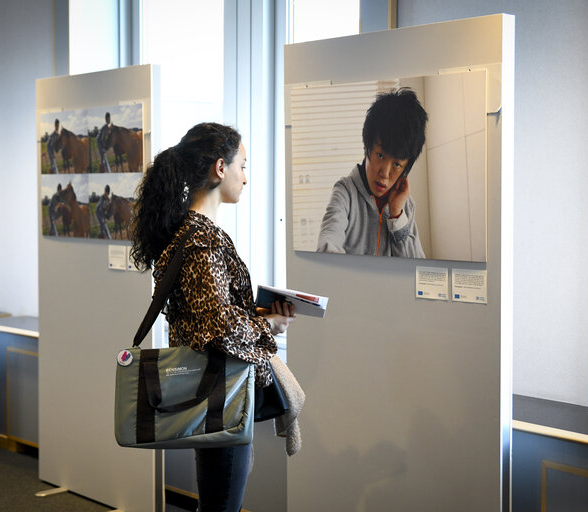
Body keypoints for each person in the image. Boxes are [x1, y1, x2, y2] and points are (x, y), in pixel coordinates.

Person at [130, 123, 294, 512]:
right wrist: (269, 324)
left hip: (209, 391)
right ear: (221, 168)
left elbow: (208, 315)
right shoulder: (203, 240)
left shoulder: (187, 234)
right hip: (221, 392)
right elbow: (218, 329)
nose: (246, 177)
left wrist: (251, 314)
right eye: (243, 165)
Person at [317, 88, 427, 258]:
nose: (385, 173)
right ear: (368, 148)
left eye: (397, 164)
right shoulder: (345, 192)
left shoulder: (406, 205)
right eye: (380, 155)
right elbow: (328, 242)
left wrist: (396, 215)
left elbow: (416, 269)